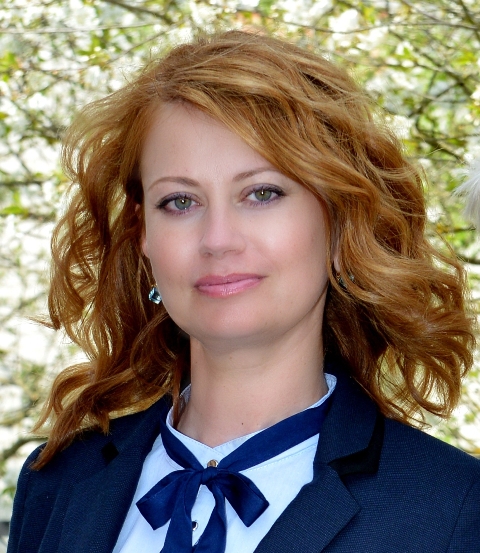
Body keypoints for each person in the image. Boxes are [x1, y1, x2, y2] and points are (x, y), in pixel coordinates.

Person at [7, 30, 480, 553]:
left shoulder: (453, 507)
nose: (218, 240)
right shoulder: (57, 482)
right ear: (143, 235)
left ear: (339, 218)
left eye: (262, 193)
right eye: (180, 202)